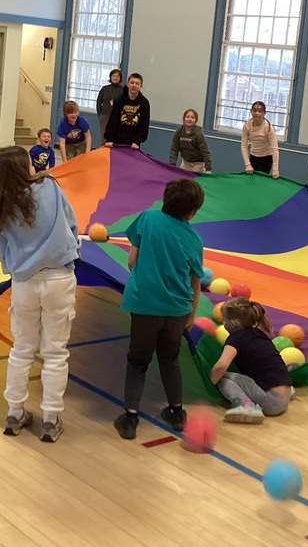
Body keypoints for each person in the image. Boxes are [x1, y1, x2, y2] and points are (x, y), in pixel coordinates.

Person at [0, 146, 80, 443]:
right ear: (23, 167)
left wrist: (16, 267)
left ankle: (15, 411)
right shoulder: (49, 186)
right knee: (55, 351)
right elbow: (71, 223)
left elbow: (0, 250)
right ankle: (50, 417)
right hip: (59, 276)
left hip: (24, 282)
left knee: (22, 348)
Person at [113, 178, 205, 440]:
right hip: (177, 309)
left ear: (165, 200)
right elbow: (195, 281)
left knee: (138, 361)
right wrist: (191, 313)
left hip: (144, 305)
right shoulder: (193, 239)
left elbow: (132, 261)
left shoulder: (148, 219)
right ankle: (177, 412)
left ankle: (130, 418)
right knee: (170, 358)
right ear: (192, 211)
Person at [209, 297, 293, 423]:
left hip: (271, 401)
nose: (223, 324)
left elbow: (222, 365)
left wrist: (209, 384)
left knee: (222, 378)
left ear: (234, 323)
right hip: (284, 396)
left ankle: (246, 405)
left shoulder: (235, 339)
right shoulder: (259, 334)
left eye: (224, 320)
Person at [103, 73, 149, 150]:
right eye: (132, 83)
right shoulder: (119, 100)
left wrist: (138, 141)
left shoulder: (144, 103)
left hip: (133, 143)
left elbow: (144, 124)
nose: (134, 85)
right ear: (127, 84)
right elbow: (113, 120)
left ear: (141, 86)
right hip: (117, 140)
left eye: (137, 83)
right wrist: (109, 138)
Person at [240, 101, 279, 178]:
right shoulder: (247, 126)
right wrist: (247, 164)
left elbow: (275, 149)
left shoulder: (268, 128)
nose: (257, 113)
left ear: (264, 113)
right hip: (254, 156)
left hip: (267, 157)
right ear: (251, 112)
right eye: (254, 111)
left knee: (261, 180)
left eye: (260, 111)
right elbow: (244, 146)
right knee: (251, 179)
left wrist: (275, 169)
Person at [169, 109, 212, 173]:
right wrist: (172, 163)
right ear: (184, 118)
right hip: (185, 163)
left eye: (192, 117)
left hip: (198, 164)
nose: (189, 119)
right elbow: (174, 149)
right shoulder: (179, 132)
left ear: (196, 120)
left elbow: (205, 152)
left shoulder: (199, 134)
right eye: (187, 117)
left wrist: (208, 168)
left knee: (193, 182)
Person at [96, 69, 123, 141]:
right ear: (110, 77)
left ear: (120, 78)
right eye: (113, 76)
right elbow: (99, 101)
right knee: (104, 137)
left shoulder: (123, 91)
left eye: (117, 76)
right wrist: (100, 114)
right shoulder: (104, 89)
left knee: (114, 137)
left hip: (117, 117)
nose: (115, 78)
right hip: (104, 115)